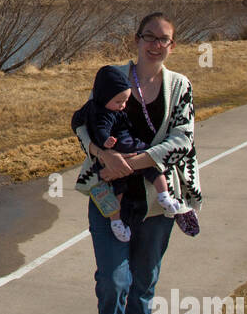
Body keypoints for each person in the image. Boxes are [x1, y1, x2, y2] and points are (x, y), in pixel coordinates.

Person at [74, 12, 203, 314]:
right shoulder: (113, 77)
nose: (155, 44)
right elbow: (82, 121)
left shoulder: (180, 86)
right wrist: (102, 153)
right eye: (149, 36)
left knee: (144, 281)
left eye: (163, 38)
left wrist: (137, 160)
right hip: (108, 194)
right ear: (136, 39)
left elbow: (183, 137)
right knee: (113, 283)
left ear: (172, 45)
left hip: (153, 201)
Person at [71, 63, 184, 243]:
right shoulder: (99, 105)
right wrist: (103, 151)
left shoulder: (179, 85)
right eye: (119, 102)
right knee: (118, 189)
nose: (123, 106)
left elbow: (183, 141)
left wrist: (124, 164)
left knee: (153, 170)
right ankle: (116, 221)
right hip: (118, 154)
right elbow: (85, 127)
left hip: (133, 157)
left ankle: (166, 198)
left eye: (125, 102)